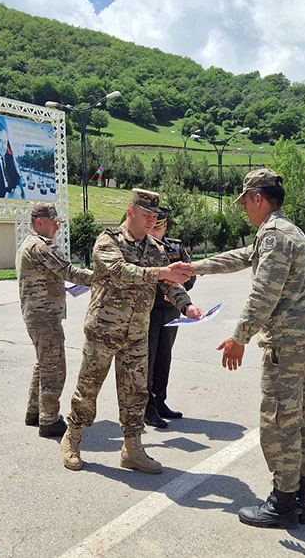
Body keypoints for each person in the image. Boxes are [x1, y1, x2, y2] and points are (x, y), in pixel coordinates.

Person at [183, 168, 305, 529]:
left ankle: (283, 504)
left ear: (258, 198)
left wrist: (240, 337)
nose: (243, 208)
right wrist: (192, 267)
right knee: (303, 422)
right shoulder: (286, 231)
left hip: (286, 348)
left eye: (244, 201)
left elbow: (264, 294)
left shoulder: (274, 236)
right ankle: (299, 500)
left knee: (279, 424)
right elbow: (241, 256)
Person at [61, 189, 201, 474]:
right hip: (104, 330)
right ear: (130, 212)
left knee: (136, 392)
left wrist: (187, 306)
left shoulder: (155, 249)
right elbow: (119, 271)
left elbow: (168, 284)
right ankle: (72, 438)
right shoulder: (108, 240)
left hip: (137, 333)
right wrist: (161, 272)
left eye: (154, 216)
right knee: (89, 387)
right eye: (146, 215)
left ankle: (132, 449)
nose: (151, 221)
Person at [16, 203, 93, 437]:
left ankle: (35, 412)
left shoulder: (29, 244)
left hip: (39, 314)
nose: (57, 228)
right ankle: (49, 420)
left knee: (43, 364)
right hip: (45, 316)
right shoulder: (40, 246)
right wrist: (104, 276)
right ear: (40, 222)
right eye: (54, 223)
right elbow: (69, 272)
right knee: (54, 368)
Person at [144, 210, 195, 429]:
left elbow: (190, 273)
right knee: (148, 358)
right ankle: (147, 408)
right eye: (152, 226)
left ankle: (160, 401)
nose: (154, 230)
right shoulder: (142, 248)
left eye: (158, 227)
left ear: (165, 226)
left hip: (171, 309)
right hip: (150, 310)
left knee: (164, 356)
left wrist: (179, 288)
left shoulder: (175, 247)